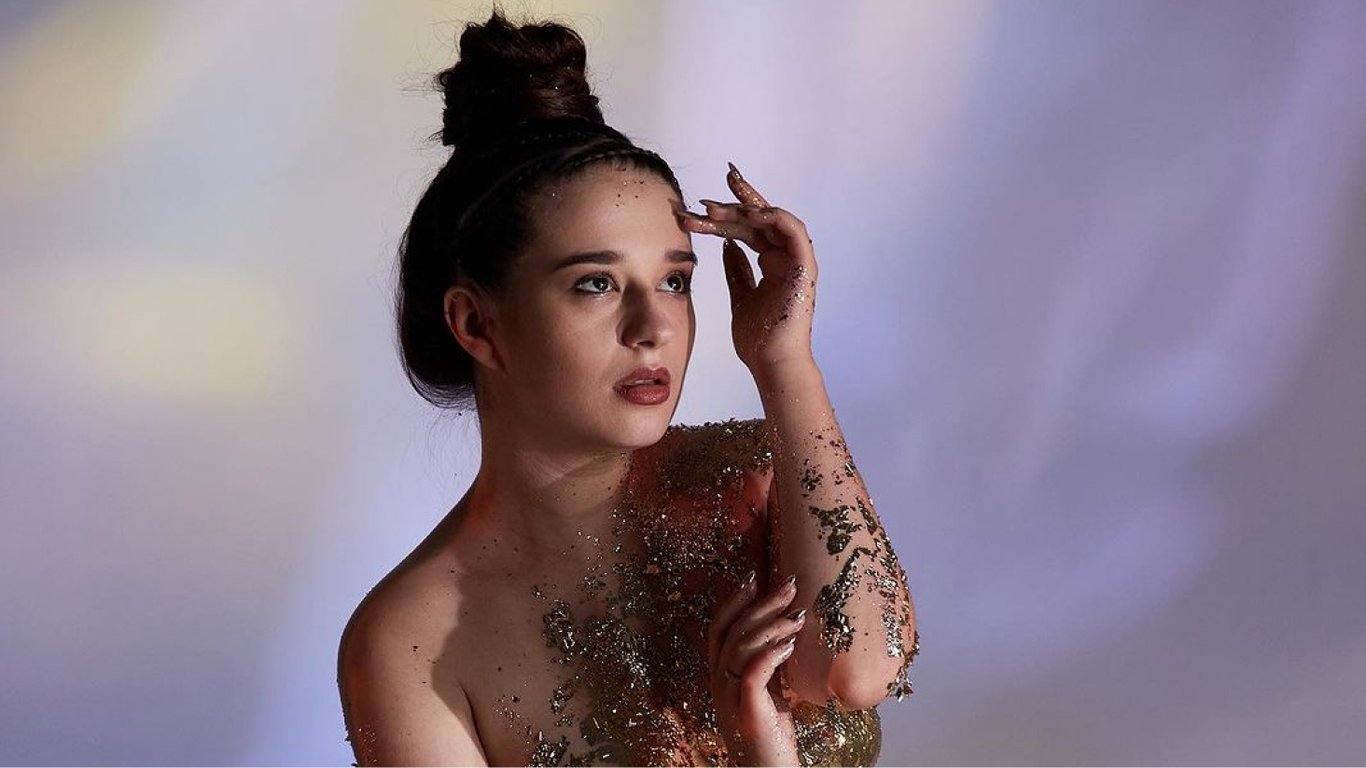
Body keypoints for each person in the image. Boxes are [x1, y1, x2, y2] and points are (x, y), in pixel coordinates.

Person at [337, 10, 918, 766]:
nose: (654, 328)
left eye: (674, 281)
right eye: (596, 284)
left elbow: (858, 668)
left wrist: (785, 362)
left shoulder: (753, 480)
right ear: (476, 323)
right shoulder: (407, 640)